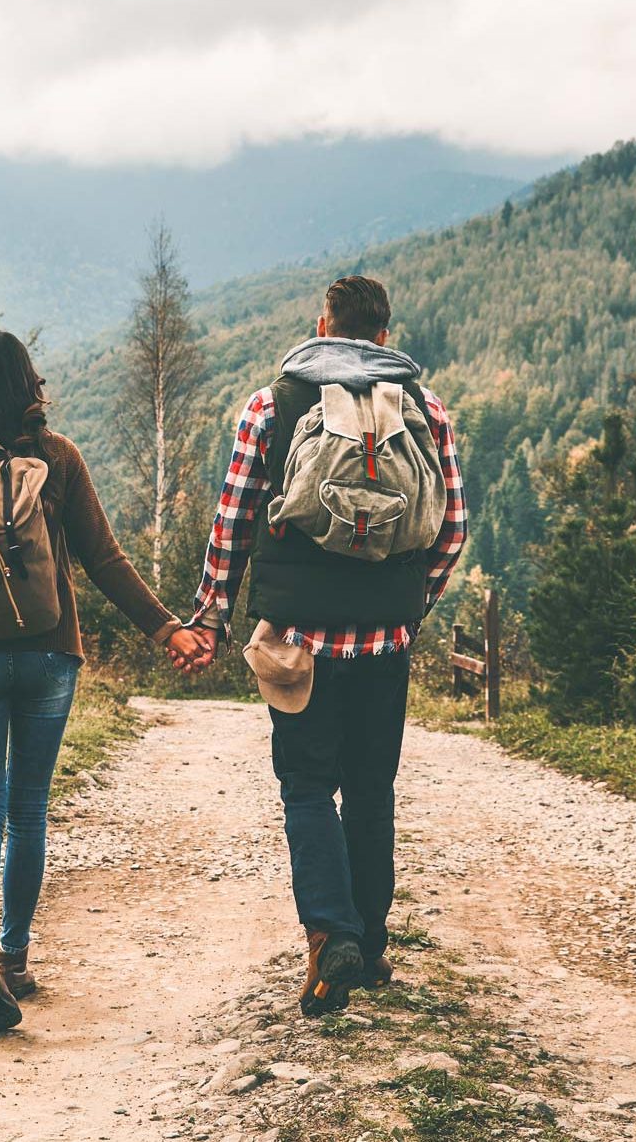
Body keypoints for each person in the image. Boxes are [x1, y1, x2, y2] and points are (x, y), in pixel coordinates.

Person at [0, 329, 207, 1031]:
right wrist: (167, 627)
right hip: (49, 652)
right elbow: (105, 558)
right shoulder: (56, 459)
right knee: (26, 808)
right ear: (30, 388)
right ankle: (17, 956)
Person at [179, 276, 467, 1016]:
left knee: (307, 785)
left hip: (299, 640)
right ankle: (369, 944)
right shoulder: (422, 407)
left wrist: (212, 612)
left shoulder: (272, 404)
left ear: (321, 324)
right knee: (372, 789)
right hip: (386, 642)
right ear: (382, 335)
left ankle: (328, 935)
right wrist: (411, 609)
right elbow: (452, 528)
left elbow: (234, 518)